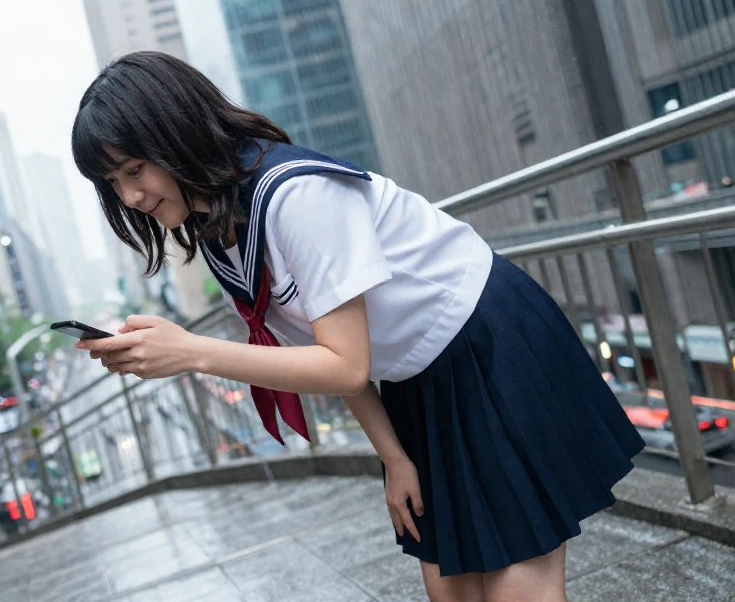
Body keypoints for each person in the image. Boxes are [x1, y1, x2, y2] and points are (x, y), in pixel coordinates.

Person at [71, 51, 643, 602]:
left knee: (519, 586)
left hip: (487, 344)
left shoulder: (295, 194)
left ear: (175, 131)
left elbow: (345, 364)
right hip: (415, 379)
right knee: (451, 588)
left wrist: (193, 352)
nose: (131, 196)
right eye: (112, 182)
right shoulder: (221, 231)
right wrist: (393, 457)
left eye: (134, 169)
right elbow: (326, 354)